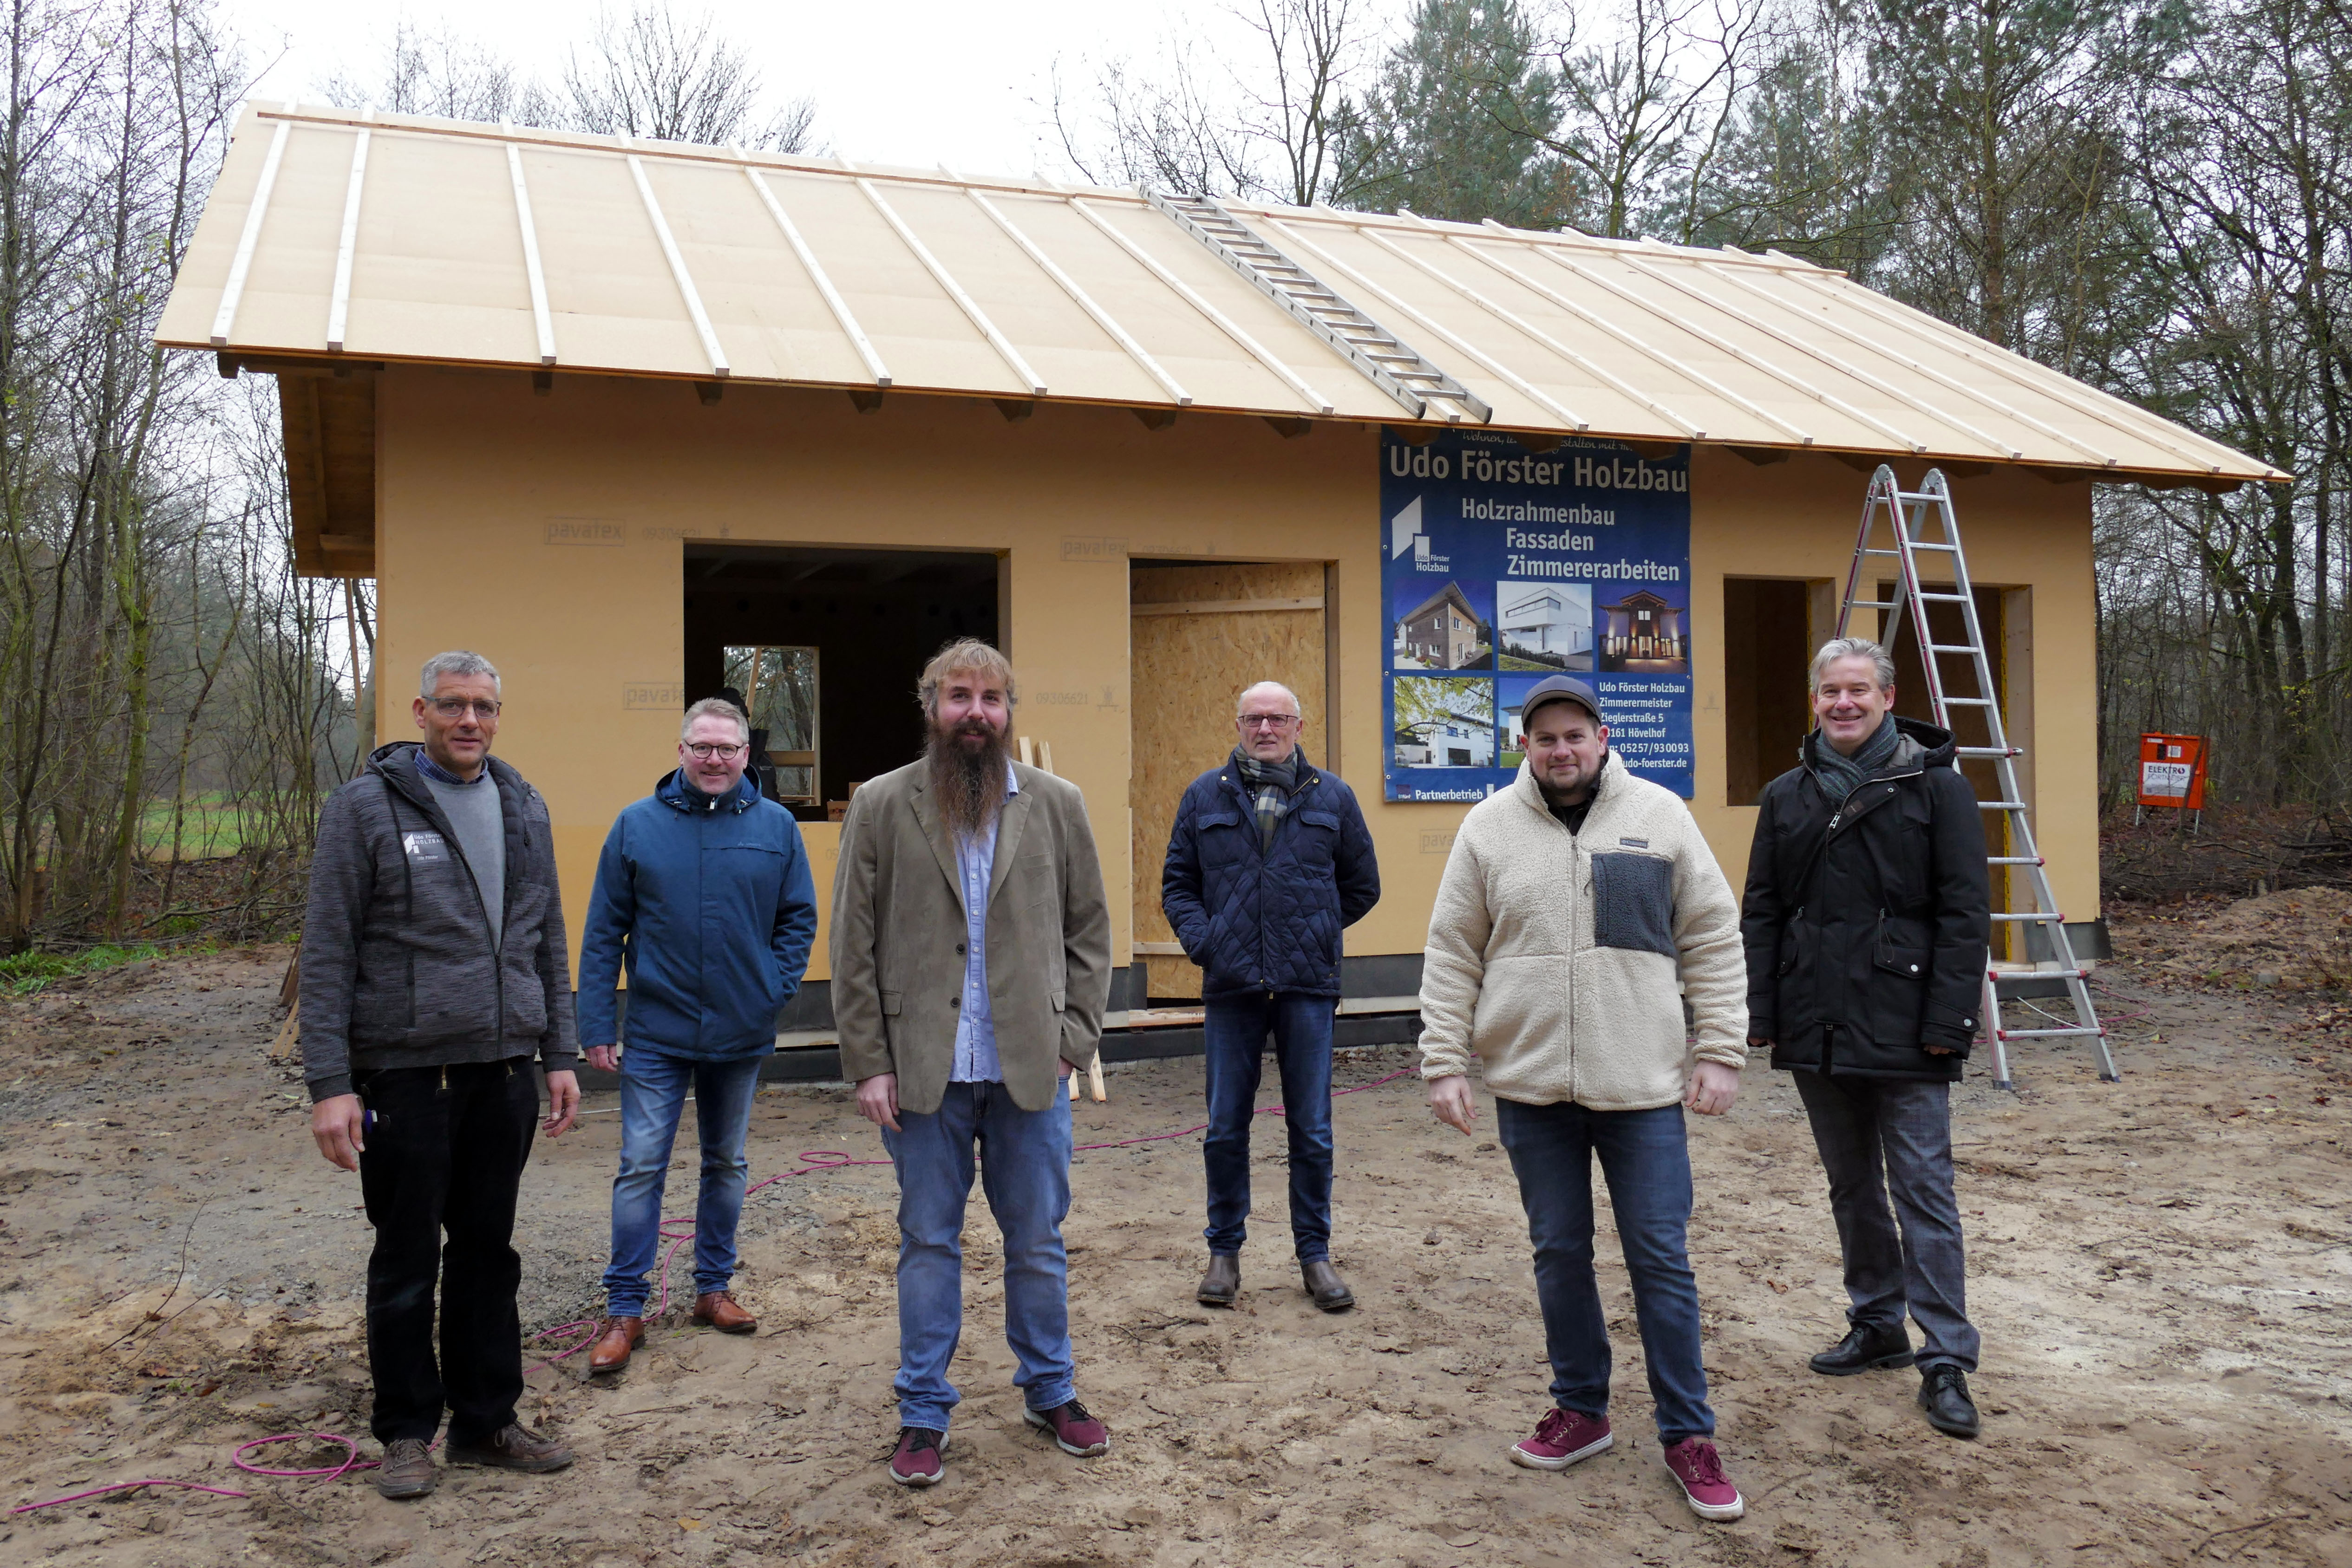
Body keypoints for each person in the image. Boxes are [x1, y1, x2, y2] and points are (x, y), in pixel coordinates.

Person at [1418, 675, 1751, 1521]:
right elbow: (1453, 948)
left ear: (1602, 737)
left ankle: (1688, 1433)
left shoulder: (1662, 816)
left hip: (1639, 1087)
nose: (1560, 750)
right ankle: (1582, 1408)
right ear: (1524, 746)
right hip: (1531, 1090)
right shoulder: (1488, 828)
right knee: (1558, 1252)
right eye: (1544, 738)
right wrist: (1443, 1060)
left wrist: (1719, 1050)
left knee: (1661, 1259)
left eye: (1574, 735)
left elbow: (1711, 935)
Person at [829, 639, 1114, 1488]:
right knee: (928, 1241)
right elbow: (852, 945)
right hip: (923, 1072)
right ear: (932, 707)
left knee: (1037, 1240)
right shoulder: (883, 805)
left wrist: (1075, 1039)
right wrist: (868, 1063)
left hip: (1033, 1069)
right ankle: (922, 1409)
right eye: (960, 696)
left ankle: (1051, 1390)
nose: (977, 713)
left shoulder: (1058, 804)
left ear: (1009, 709)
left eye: (992, 698)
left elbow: (1090, 931)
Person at [300, 651, 580, 1500]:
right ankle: (407, 1432)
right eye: (454, 705)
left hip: (504, 1072)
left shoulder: (523, 802)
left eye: (485, 707)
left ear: (500, 714)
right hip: (407, 1078)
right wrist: (330, 1083)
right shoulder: (365, 809)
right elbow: (328, 950)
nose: (471, 721)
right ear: (420, 710)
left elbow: (548, 937)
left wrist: (560, 1054)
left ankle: (487, 1420)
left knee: (489, 1254)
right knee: (408, 1254)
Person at [1740, 637, 1991, 1440]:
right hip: (1819, 1021)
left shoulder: (1940, 790)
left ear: (1888, 698)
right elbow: (1763, 911)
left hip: (1910, 1027)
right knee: (1851, 1186)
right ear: (1814, 701)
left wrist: (1948, 1024)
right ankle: (1877, 1321)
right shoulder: (1787, 794)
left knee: (1923, 1189)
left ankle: (1946, 1356)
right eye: (1829, 692)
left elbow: (1964, 916)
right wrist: (1763, 1010)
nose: (1843, 703)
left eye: (1858, 690)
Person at [576, 696, 818, 1374]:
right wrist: (597, 1021)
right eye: (701, 746)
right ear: (680, 750)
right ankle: (626, 1308)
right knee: (641, 1166)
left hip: (740, 1031)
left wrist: (772, 987)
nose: (715, 759)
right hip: (656, 1029)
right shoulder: (637, 826)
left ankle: (712, 1290)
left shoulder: (776, 828)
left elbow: (798, 918)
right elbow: (603, 933)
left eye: (728, 748)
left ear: (747, 754)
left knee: (727, 1163)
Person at [1161, 681, 1379, 1311]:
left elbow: (1362, 884)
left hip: (1307, 987)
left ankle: (1315, 1256)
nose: (1265, 728)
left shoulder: (1332, 797)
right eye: (1254, 718)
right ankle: (1223, 1253)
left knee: (1311, 1129)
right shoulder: (1206, 795)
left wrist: (1313, 930)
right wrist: (1209, 944)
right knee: (1226, 1127)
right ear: (1238, 723)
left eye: (1277, 718)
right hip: (1231, 988)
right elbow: (1178, 883)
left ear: (1298, 726)